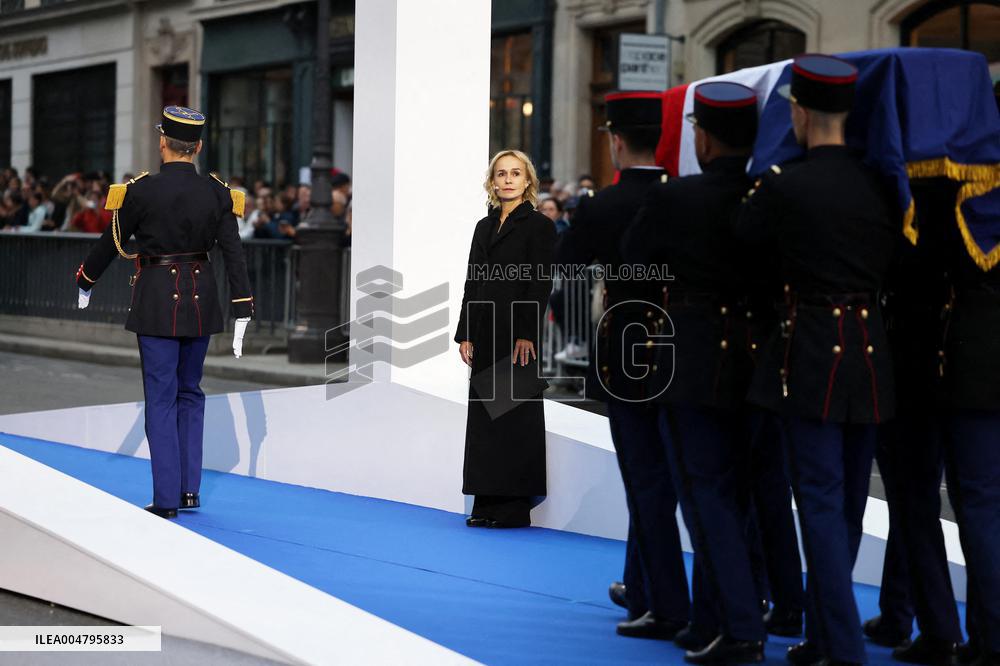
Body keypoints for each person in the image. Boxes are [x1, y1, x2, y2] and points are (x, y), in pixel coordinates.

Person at [736, 54, 898, 665]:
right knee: (849, 498)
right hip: (871, 347)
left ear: (798, 112)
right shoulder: (881, 183)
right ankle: (831, 637)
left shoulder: (784, 183)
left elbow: (747, 246)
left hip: (807, 348)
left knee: (823, 501)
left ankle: (843, 644)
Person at [621, 81, 768, 663]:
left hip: (692, 355)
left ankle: (739, 627)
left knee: (704, 496)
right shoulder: (766, 194)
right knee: (741, 495)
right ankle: (714, 618)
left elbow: (634, 267)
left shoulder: (677, 199)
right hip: (758, 357)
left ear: (702, 137)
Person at [74, 105, 254, 519]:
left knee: (161, 398)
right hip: (202, 299)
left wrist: (86, 279)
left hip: (157, 299)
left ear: (162, 143)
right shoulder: (217, 191)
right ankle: (189, 490)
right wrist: (243, 304)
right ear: (198, 146)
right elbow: (233, 253)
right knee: (190, 392)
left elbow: (110, 240)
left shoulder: (141, 190)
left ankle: (167, 498)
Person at [558, 91, 691, 641]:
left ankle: (662, 598)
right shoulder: (683, 195)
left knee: (646, 478)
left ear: (616, 141)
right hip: (682, 343)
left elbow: (566, 264)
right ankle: (642, 583)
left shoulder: (602, 204)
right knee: (674, 476)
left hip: (626, 345)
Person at [862, 177, 963, 663]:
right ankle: (899, 611)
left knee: (914, 500)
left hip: (912, 368)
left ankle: (939, 626)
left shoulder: (918, 213)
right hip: (944, 368)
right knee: (911, 499)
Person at [455, 149, 555, 529]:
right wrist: (465, 333)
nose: (508, 179)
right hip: (484, 330)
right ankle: (485, 503)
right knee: (485, 420)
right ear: (492, 181)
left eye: (516, 173)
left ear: (527, 180)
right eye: (501, 174)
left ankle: (512, 509)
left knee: (513, 418)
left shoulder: (539, 227)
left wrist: (527, 333)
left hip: (516, 333)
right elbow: (472, 280)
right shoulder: (483, 226)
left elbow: (539, 283)